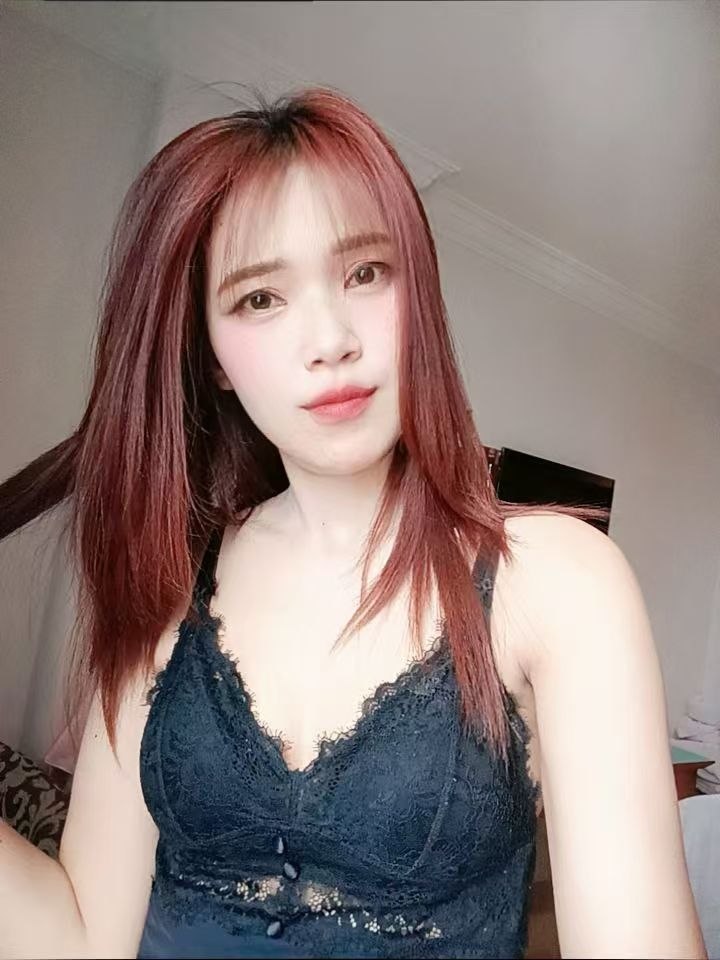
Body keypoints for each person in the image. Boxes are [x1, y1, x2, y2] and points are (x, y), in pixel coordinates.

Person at [0, 86, 706, 960]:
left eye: (365, 272)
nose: (330, 338)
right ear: (210, 356)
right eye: (260, 298)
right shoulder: (168, 587)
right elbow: (81, 941)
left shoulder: (558, 583)